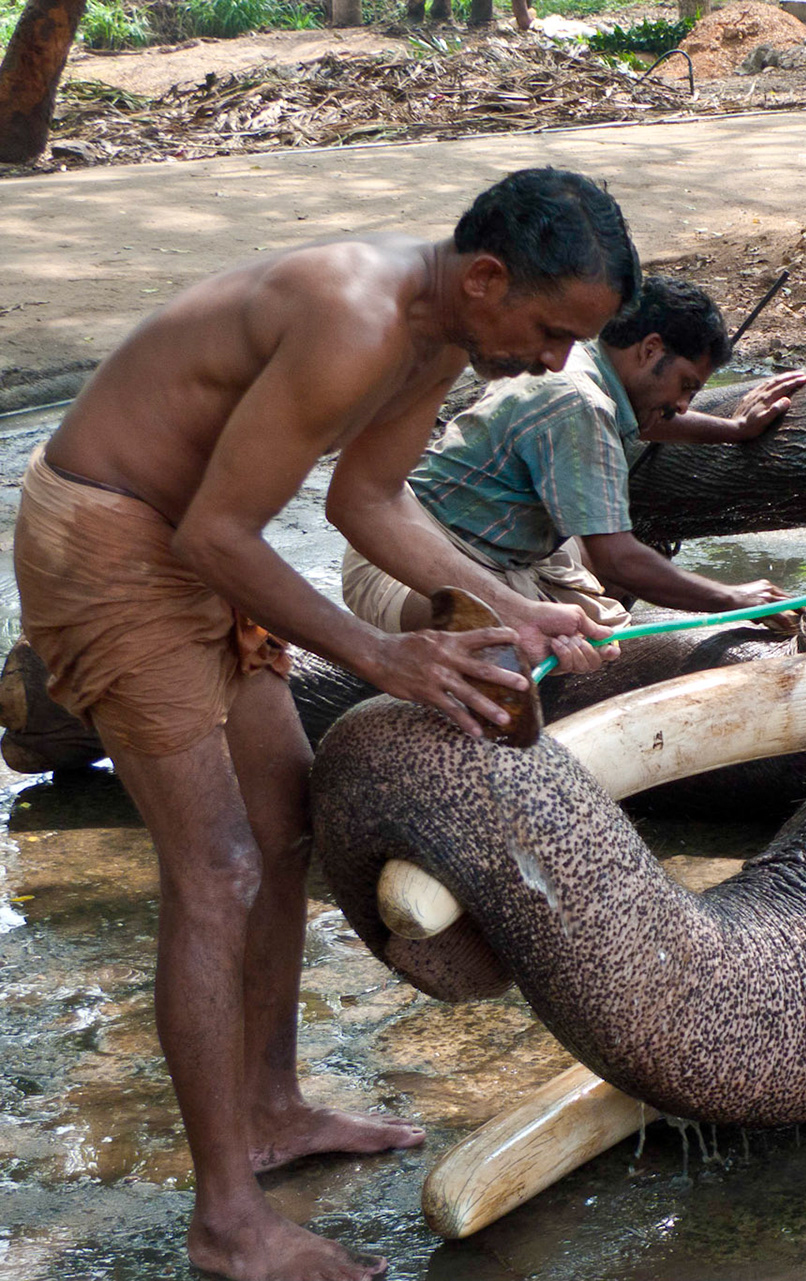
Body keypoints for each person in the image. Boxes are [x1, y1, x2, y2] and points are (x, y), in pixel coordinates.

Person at [11, 167, 637, 1281]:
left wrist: (509, 607)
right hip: (115, 535)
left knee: (283, 826)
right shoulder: (356, 318)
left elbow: (367, 500)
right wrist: (382, 655)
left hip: (200, 536)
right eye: (551, 333)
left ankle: (271, 1109)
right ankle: (225, 1221)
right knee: (218, 870)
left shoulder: (443, 332)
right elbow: (217, 534)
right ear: (487, 277)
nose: (555, 363)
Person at [341, 275, 806, 633]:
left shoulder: (588, 363)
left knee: (606, 610)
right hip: (405, 565)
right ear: (650, 350)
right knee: (555, 645)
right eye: (685, 385)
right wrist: (733, 598)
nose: (684, 405)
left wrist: (734, 430)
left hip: (508, 556)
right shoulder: (580, 402)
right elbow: (617, 558)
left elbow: (647, 422)